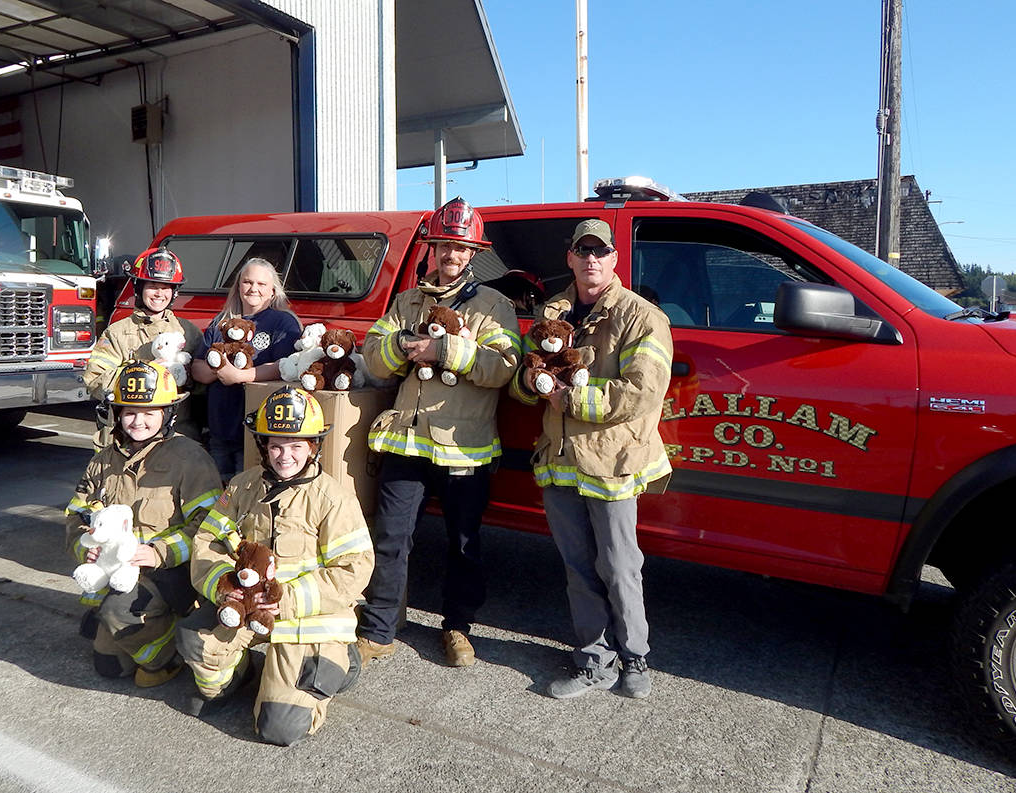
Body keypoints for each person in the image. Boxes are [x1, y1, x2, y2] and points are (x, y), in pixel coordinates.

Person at [509, 219, 673, 699]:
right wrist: (531, 383)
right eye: (583, 251)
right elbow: (524, 377)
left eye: (600, 252)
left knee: (620, 564)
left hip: (613, 462)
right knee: (577, 566)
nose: (591, 261)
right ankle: (593, 661)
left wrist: (572, 402)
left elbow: (644, 391)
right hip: (559, 460)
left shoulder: (642, 317)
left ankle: (635, 658)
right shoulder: (552, 313)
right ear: (570, 258)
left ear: (615, 257)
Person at [355, 197, 521, 668]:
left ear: (473, 254)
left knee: (463, 545)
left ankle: (457, 629)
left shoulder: (494, 306)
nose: (452, 255)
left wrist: (446, 351)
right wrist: (407, 348)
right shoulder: (407, 302)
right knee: (390, 538)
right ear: (432, 248)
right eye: (445, 245)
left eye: (461, 248)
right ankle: (380, 631)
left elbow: (503, 368)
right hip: (405, 442)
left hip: (464, 449)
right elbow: (372, 355)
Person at [177, 386, 374, 746]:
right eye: (276, 445)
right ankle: (245, 672)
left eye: (297, 445)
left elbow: (354, 569)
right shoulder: (241, 488)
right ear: (264, 446)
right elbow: (207, 541)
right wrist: (224, 584)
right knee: (195, 643)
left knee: (278, 729)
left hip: (307, 619)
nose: (285, 456)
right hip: (247, 609)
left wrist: (287, 600)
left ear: (313, 447)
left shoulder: (333, 498)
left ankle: (341, 662)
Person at [64, 360, 222, 687]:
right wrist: (85, 546)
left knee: (117, 615)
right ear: (117, 414)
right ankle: (143, 629)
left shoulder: (190, 458)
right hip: (118, 573)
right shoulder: (103, 460)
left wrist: (159, 553)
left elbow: (209, 527)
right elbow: (76, 514)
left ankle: (167, 658)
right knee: (109, 666)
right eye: (130, 412)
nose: (139, 422)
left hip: (168, 572)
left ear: (167, 414)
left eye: (150, 413)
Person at [191, 257, 302, 482]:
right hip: (220, 430)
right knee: (218, 492)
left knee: (246, 491)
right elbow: (197, 368)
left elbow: (285, 367)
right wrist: (220, 370)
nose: (254, 289)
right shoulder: (221, 322)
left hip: (258, 431)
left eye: (261, 284)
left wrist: (241, 376)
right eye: (248, 282)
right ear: (238, 286)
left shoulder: (283, 323)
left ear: (272, 291)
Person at [83, 247, 203, 449]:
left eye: (166, 287)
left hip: (178, 437)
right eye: (153, 286)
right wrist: (142, 373)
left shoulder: (188, 332)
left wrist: (188, 376)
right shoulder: (118, 333)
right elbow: (94, 381)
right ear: (139, 288)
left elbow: (204, 392)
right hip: (127, 437)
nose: (159, 293)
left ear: (174, 292)